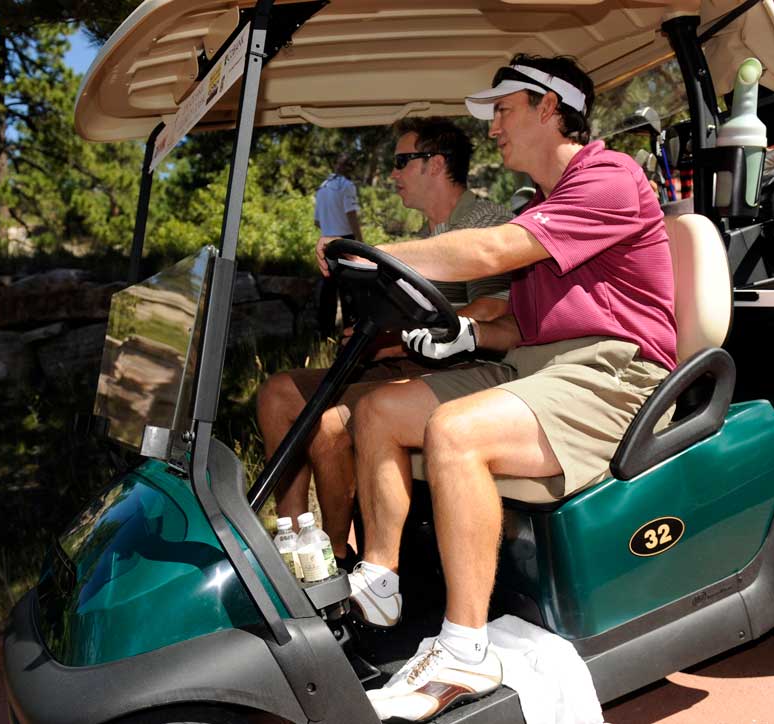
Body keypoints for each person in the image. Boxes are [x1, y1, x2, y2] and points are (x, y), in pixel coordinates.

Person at [321, 55, 678, 721]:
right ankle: (379, 585)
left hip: (615, 371)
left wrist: (367, 253)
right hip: (542, 365)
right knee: (378, 410)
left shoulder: (608, 177)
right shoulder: (547, 205)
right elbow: (519, 322)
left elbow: (488, 255)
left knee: (454, 434)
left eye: (504, 110)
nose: (492, 130)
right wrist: (467, 335)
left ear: (550, 107)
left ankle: (465, 649)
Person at [258, 118, 512, 570]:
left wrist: (397, 339)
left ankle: (336, 557)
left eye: (401, 162)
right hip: (407, 361)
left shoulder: (484, 222)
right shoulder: (425, 237)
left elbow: (491, 312)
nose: (393, 174)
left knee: (329, 424)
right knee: (279, 392)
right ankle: (293, 538)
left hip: (456, 369)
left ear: (435, 164)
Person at [313, 155, 362, 333]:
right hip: (345, 240)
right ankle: (350, 333)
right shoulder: (347, 186)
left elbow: (317, 222)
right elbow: (351, 214)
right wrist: (360, 241)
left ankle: (325, 333)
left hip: (327, 242)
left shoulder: (322, 187)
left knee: (328, 291)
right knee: (349, 290)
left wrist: (330, 222)